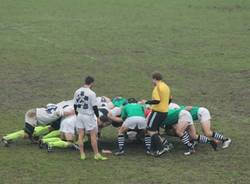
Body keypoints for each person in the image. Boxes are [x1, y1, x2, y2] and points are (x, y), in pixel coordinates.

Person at [1, 100, 73, 146]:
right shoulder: (68, 109)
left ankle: (34, 136)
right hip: (33, 115)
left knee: (53, 127)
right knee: (26, 134)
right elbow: (61, 113)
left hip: (35, 112)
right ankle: (7, 138)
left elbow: (49, 105)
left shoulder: (65, 103)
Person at [74, 76, 107, 161]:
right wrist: (98, 117)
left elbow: (75, 105)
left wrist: (77, 114)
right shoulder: (92, 93)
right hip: (88, 116)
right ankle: (96, 154)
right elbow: (95, 107)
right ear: (92, 83)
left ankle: (82, 154)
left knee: (80, 135)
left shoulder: (77, 91)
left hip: (80, 115)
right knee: (93, 135)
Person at [143, 72, 171, 156]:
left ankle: (161, 148)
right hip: (165, 112)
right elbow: (170, 99)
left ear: (154, 79)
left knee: (150, 130)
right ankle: (153, 149)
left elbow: (157, 100)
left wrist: (146, 102)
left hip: (157, 112)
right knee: (155, 130)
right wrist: (165, 105)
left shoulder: (157, 87)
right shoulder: (166, 86)